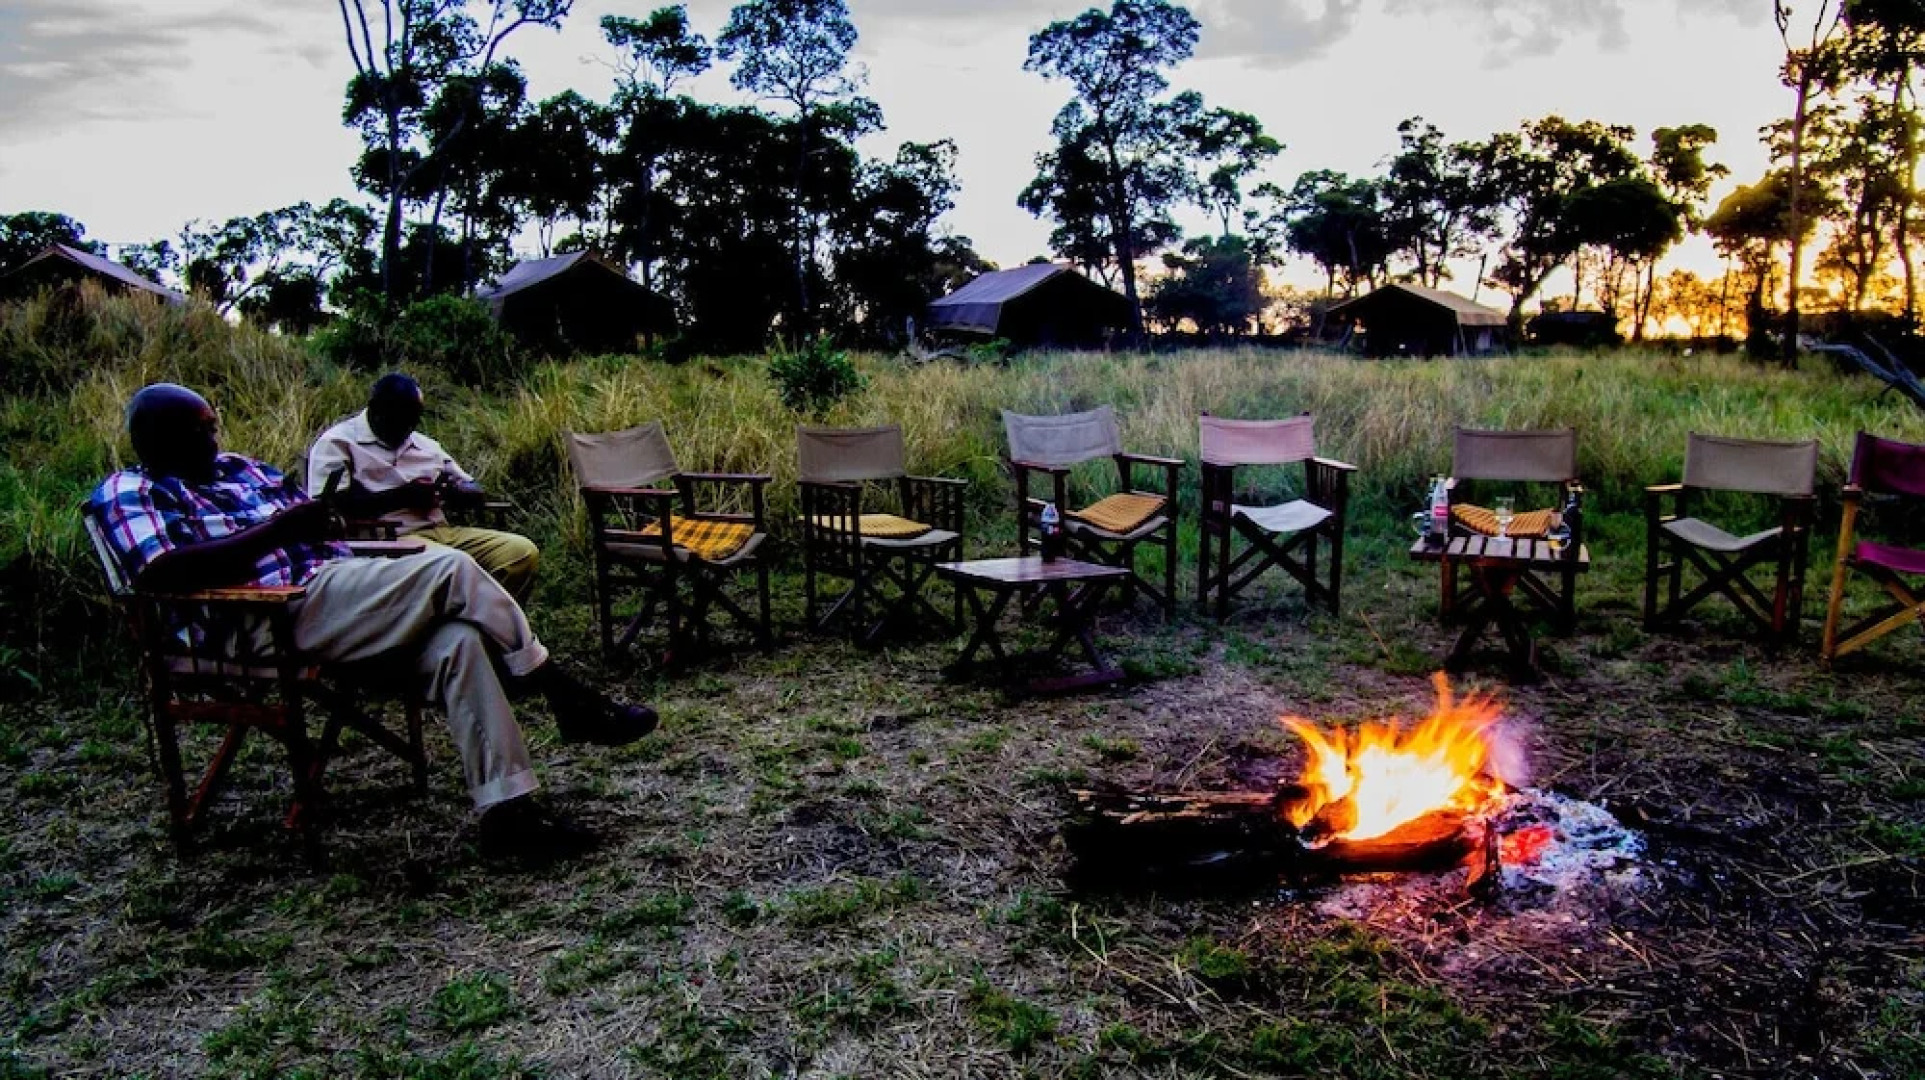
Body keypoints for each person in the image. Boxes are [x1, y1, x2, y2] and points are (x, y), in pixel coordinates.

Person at [90, 383, 655, 860]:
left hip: (333, 589)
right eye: (197, 433)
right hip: (260, 617)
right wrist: (284, 531)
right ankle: (563, 694)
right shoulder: (131, 491)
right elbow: (163, 573)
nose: (213, 440)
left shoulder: (244, 470)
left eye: (213, 427)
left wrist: (322, 524)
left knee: (458, 642)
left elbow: (318, 531)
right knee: (451, 570)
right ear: (152, 441)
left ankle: (507, 813)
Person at [307, 373, 539, 603]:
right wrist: (402, 497)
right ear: (375, 410)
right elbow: (326, 508)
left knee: (520, 552)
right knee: (455, 562)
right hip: (389, 539)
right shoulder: (338, 443)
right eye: (399, 420)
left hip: (442, 531)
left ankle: (489, 628)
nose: (407, 428)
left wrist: (462, 493)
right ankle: (466, 625)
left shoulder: (425, 445)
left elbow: (468, 484)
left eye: (413, 420)